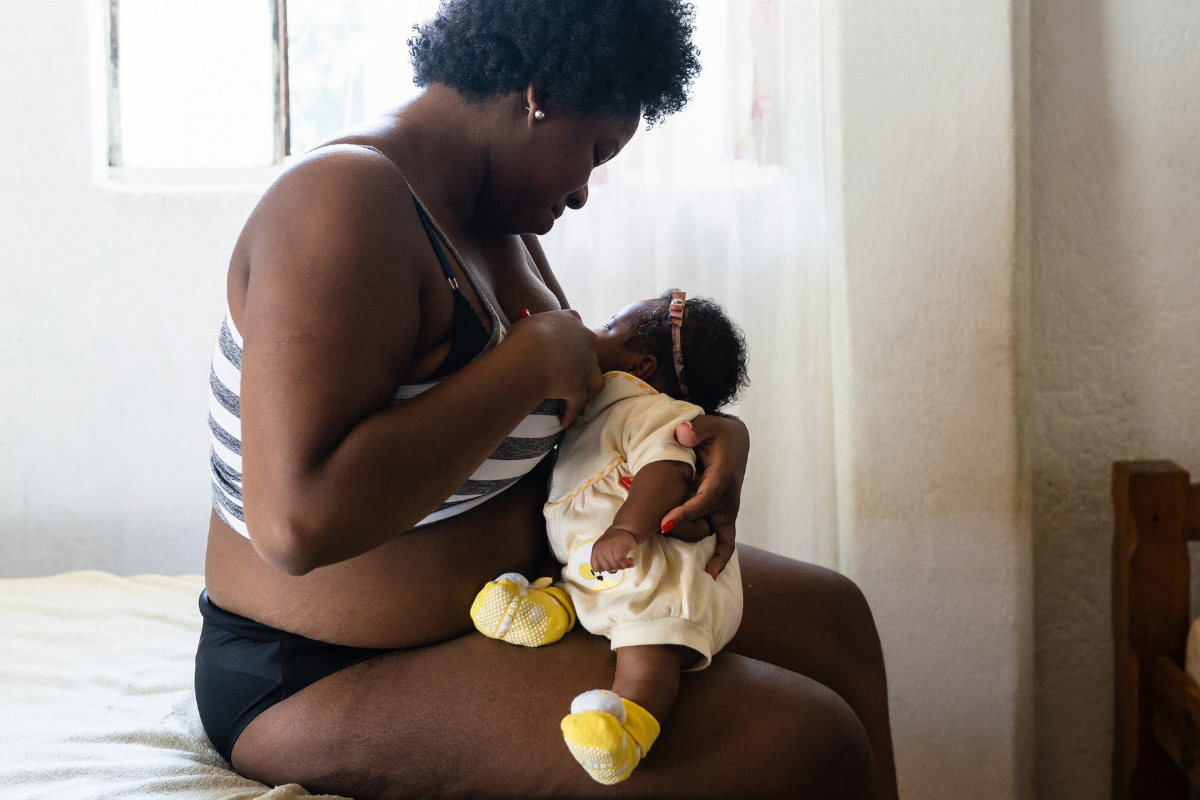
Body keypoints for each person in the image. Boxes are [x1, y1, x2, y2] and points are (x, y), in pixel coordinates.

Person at [195, 1, 899, 797]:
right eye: (595, 150)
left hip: (534, 590)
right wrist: (528, 363)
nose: (585, 192)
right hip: (316, 670)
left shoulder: (497, 220)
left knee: (835, 620)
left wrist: (707, 434)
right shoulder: (340, 202)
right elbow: (294, 522)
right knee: (809, 744)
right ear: (539, 96)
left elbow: (573, 413)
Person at [470, 291, 749, 785]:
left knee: (648, 644)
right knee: (592, 586)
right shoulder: (606, 407)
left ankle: (630, 725)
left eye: (607, 327)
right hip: (606, 565)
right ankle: (548, 607)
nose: (590, 331)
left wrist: (627, 528)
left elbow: (665, 469)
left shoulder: (649, 410)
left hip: (659, 581)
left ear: (641, 363)